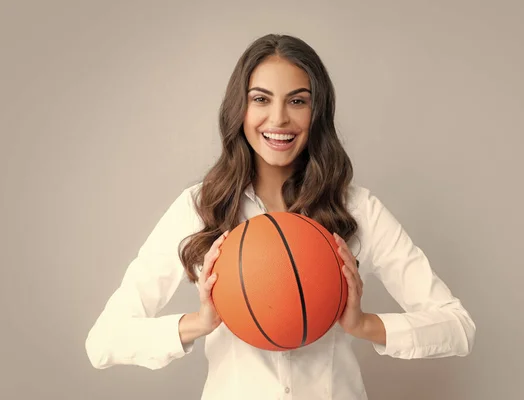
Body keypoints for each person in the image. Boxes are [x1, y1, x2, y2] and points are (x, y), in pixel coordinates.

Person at [85, 33, 476, 400]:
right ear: (240, 108)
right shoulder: (201, 206)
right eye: (261, 99)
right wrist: (201, 322)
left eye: (297, 100)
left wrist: (364, 324)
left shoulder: (357, 209)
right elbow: (104, 341)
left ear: (316, 111)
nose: (279, 119)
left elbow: (458, 327)